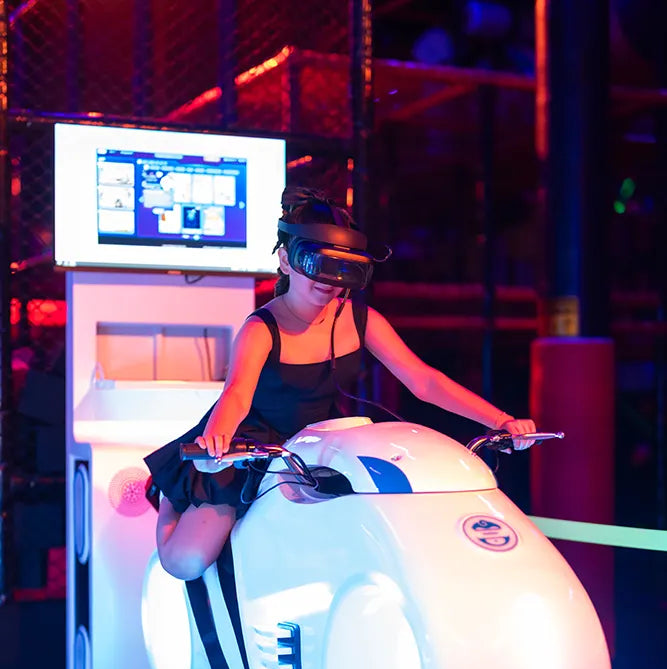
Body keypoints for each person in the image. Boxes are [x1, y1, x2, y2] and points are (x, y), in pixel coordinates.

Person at [144, 186, 536, 581]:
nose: (328, 279)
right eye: (314, 261)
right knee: (186, 561)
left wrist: (501, 419)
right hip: (250, 441)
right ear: (285, 260)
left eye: (342, 266)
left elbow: (423, 380)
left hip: (320, 441)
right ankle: (170, 492)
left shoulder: (361, 319)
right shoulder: (262, 327)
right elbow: (237, 395)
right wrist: (216, 442)